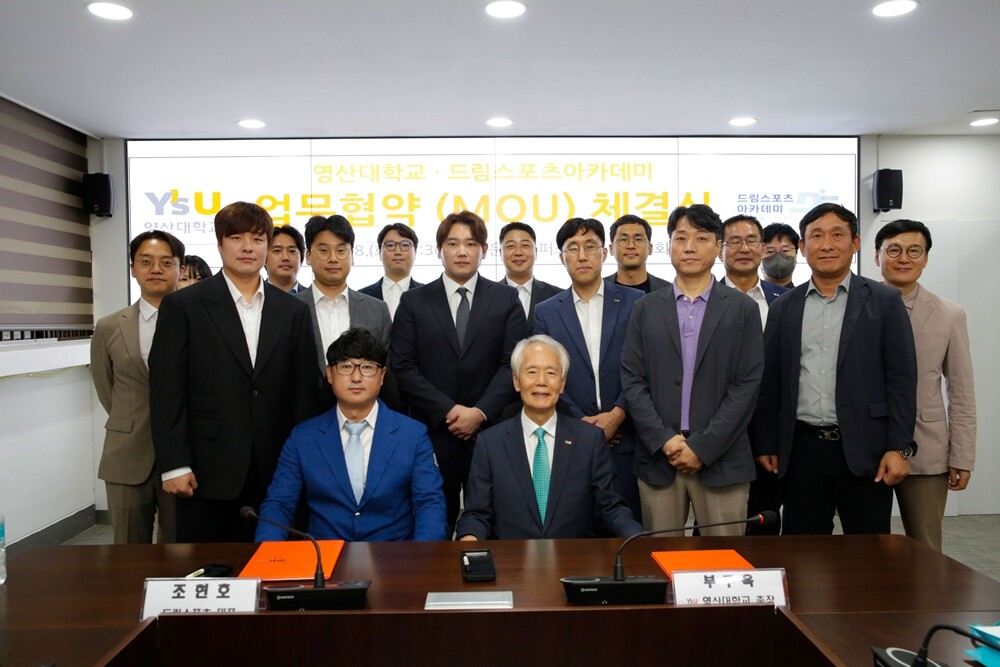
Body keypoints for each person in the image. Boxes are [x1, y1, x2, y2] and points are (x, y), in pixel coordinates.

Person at [149, 201, 321, 543]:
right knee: (209, 566)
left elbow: (303, 393)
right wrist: (174, 464)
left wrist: (303, 463)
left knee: (275, 564)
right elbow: (166, 390)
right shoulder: (184, 306)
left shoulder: (293, 311)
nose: (247, 247)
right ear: (219, 243)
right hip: (206, 470)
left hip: (277, 467)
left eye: (257, 239)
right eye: (237, 238)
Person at [753, 203, 917, 535]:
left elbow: (901, 381)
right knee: (804, 551)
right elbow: (771, 383)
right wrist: (767, 443)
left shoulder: (885, 302)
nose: (826, 245)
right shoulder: (785, 307)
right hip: (802, 451)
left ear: (855, 243)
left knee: (868, 551)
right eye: (816, 236)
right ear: (803, 247)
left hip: (867, 451)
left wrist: (899, 448)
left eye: (837, 235)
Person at [621, 204, 763, 536]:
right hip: (660, 458)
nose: (689, 247)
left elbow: (748, 384)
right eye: (680, 238)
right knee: (659, 557)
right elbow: (632, 379)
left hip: (722, 459)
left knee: (724, 560)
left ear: (718, 247)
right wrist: (663, 439)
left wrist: (703, 446)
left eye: (701, 238)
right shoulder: (644, 308)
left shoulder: (743, 309)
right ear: (669, 245)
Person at [390, 210, 528, 536]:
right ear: (439, 250)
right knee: (434, 525)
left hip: (492, 432)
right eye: (453, 244)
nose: (462, 251)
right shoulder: (413, 302)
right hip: (434, 434)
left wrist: (479, 412)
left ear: (484, 250)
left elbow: (513, 363)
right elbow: (403, 367)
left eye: (470, 243)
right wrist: (449, 411)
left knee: (495, 524)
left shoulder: (506, 299)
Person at [256, 328, 446, 542]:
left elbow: (429, 503)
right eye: (346, 366)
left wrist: (423, 557)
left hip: (393, 555)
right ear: (330, 374)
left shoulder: (413, 435)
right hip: (324, 556)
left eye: (367, 367)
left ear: (382, 376)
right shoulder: (302, 438)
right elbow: (279, 504)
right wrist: (267, 555)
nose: (356, 377)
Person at [457, 335, 641, 540]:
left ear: (562, 383)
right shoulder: (490, 443)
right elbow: (477, 514)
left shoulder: (589, 440)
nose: (541, 382)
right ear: (516, 381)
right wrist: (470, 539)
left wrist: (636, 538)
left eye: (551, 373)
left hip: (573, 556)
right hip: (511, 557)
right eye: (532, 372)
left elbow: (611, 508)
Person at [874, 219, 976, 551]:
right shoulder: (858, 306)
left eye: (914, 250)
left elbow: (961, 390)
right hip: (866, 445)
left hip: (926, 446)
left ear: (926, 258)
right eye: (893, 249)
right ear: (877, 256)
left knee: (926, 548)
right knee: (865, 546)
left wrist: (962, 455)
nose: (903, 258)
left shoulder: (949, 314)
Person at [533, 217, 644, 520]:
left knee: (627, 525)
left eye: (590, 246)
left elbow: (644, 366)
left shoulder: (636, 302)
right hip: (570, 438)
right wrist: (582, 423)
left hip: (627, 439)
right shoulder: (546, 312)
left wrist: (617, 414)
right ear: (561, 257)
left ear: (605, 252)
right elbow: (546, 376)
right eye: (573, 248)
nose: (582, 255)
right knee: (574, 526)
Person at [91, 231, 184, 544]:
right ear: (133, 268)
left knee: (181, 550)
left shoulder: (198, 322)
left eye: (166, 262)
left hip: (183, 456)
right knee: (128, 551)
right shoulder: (109, 327)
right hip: (126, 454)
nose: (156, 269)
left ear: (180, 268)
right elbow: (106, 388)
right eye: (146, 262)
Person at [719, 214, 788, 535]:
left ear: (762, 247)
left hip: (771, 435)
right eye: (734, 241)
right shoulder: (703, 300)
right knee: (716, 528)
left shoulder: (785, 301)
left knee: (764, 523)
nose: (743, 248)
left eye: (751, 241)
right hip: (718, 433)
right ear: (720, 249)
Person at [296, 215, 392, 411]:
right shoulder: (290, 308)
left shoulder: (377, 310)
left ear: (352, 256)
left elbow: (386, 372)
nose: (333, 258)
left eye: (341, 251)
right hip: (302, 414)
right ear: (308, 256)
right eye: (323, 251)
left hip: (363, 416)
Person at [498, 221, 561, 328]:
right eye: (510, 246)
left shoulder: (557, 296)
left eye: (525, 245)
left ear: (536, 252)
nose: (518, 252)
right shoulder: (488, 297)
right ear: (500, 253)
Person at [359, 223, 423, 319]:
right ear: (379, 253)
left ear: (415, 252)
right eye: (390, 245)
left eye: (405, 245)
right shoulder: (361, 297)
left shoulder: (428, 296)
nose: (398, 252)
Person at [605, 214, 670, 293]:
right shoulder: (598, 289)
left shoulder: (668, 291)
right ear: (611, 248)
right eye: (623, 239)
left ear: (650, 248)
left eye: (638, 239)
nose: (631, 246)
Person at [264, 224, 305, 293]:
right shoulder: (253, 296)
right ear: (264, 258)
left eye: (292, 251)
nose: (285, 257)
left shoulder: (313, 297)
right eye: (277, 251)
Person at [760, 223, 799, 289]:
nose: (778, 256)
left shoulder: (805, 294)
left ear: (796, 255)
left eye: (785, 250)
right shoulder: (748, 295)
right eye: (770, 251)